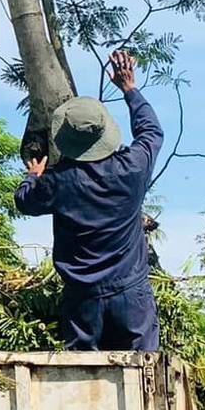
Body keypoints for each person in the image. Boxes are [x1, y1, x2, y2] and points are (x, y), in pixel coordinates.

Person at [13, 50, 163, 352]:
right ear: (105, 132)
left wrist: (33, 176)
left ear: (66, 139)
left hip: (82, 300)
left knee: (83, 379)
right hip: (131, 294)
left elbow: (24, 202)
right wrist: (129, 89)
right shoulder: (132, 168)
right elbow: (151, 132)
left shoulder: (56, 183)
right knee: (144, 378)